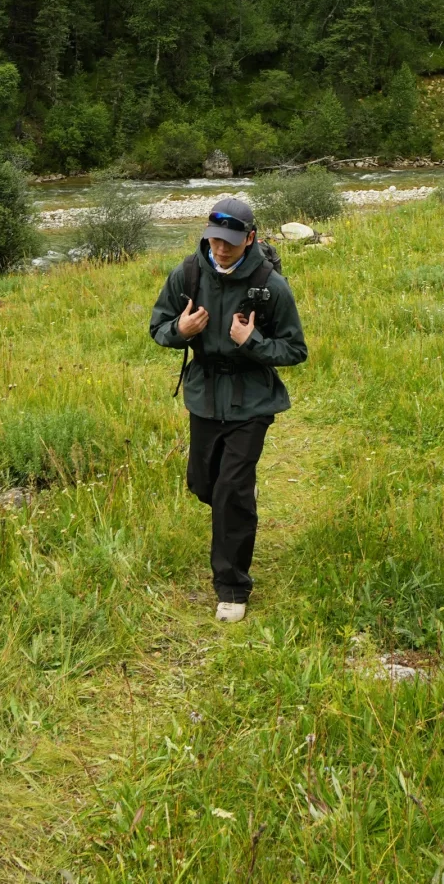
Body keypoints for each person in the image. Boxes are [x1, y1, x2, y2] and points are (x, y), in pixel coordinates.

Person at [149, 196, 307, 622]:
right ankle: (235, 497)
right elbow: (158, 328)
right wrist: (180, 330)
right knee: (205, 485)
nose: (221, 250)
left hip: (252, 399)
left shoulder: (270, 285)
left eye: (231, 243)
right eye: (215, 240)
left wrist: (251, 341)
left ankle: (233, 588)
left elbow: (295, 349)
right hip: (203, 394)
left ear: (250, 238)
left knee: (230, 493)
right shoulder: (187, 273)